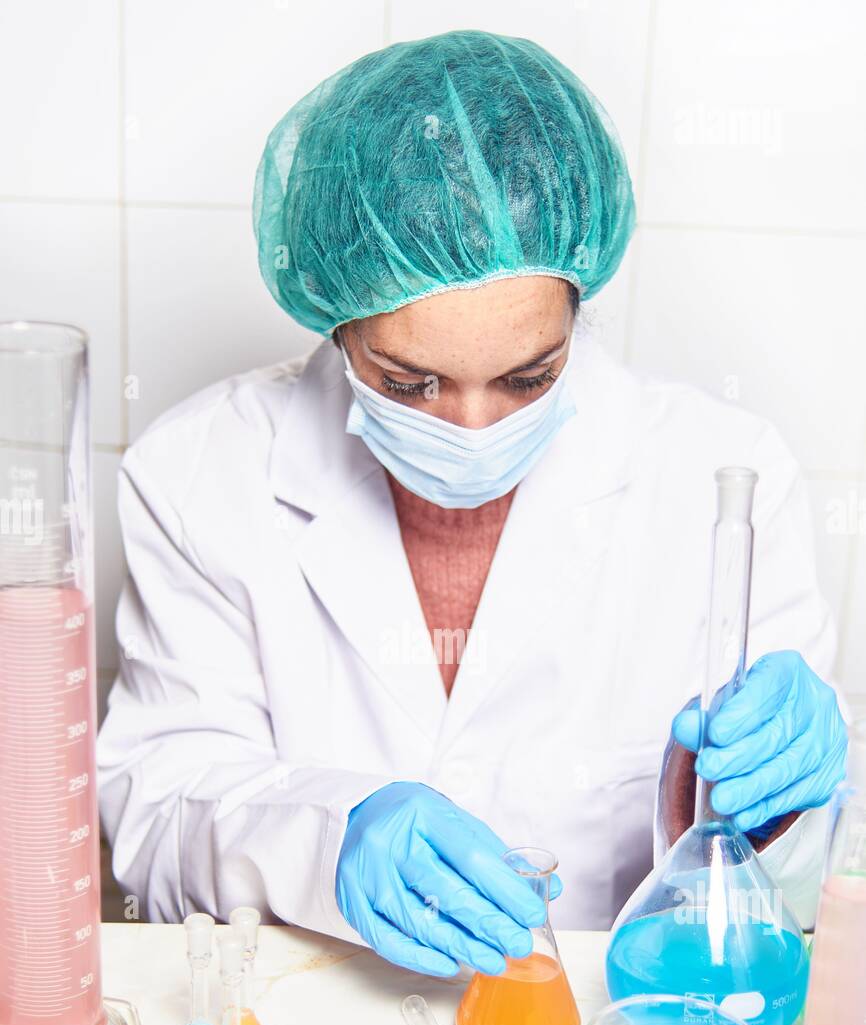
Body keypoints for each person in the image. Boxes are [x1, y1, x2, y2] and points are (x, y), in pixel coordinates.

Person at [97, 31, 846, 977]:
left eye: (529, 377)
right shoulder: (200, 474)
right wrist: (333, 839)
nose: (473, 428)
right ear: (339, 318)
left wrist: (788, 802)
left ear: (580, 310)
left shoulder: (723, 476)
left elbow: (795, 890)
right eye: (410, 384)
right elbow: (156, 814)